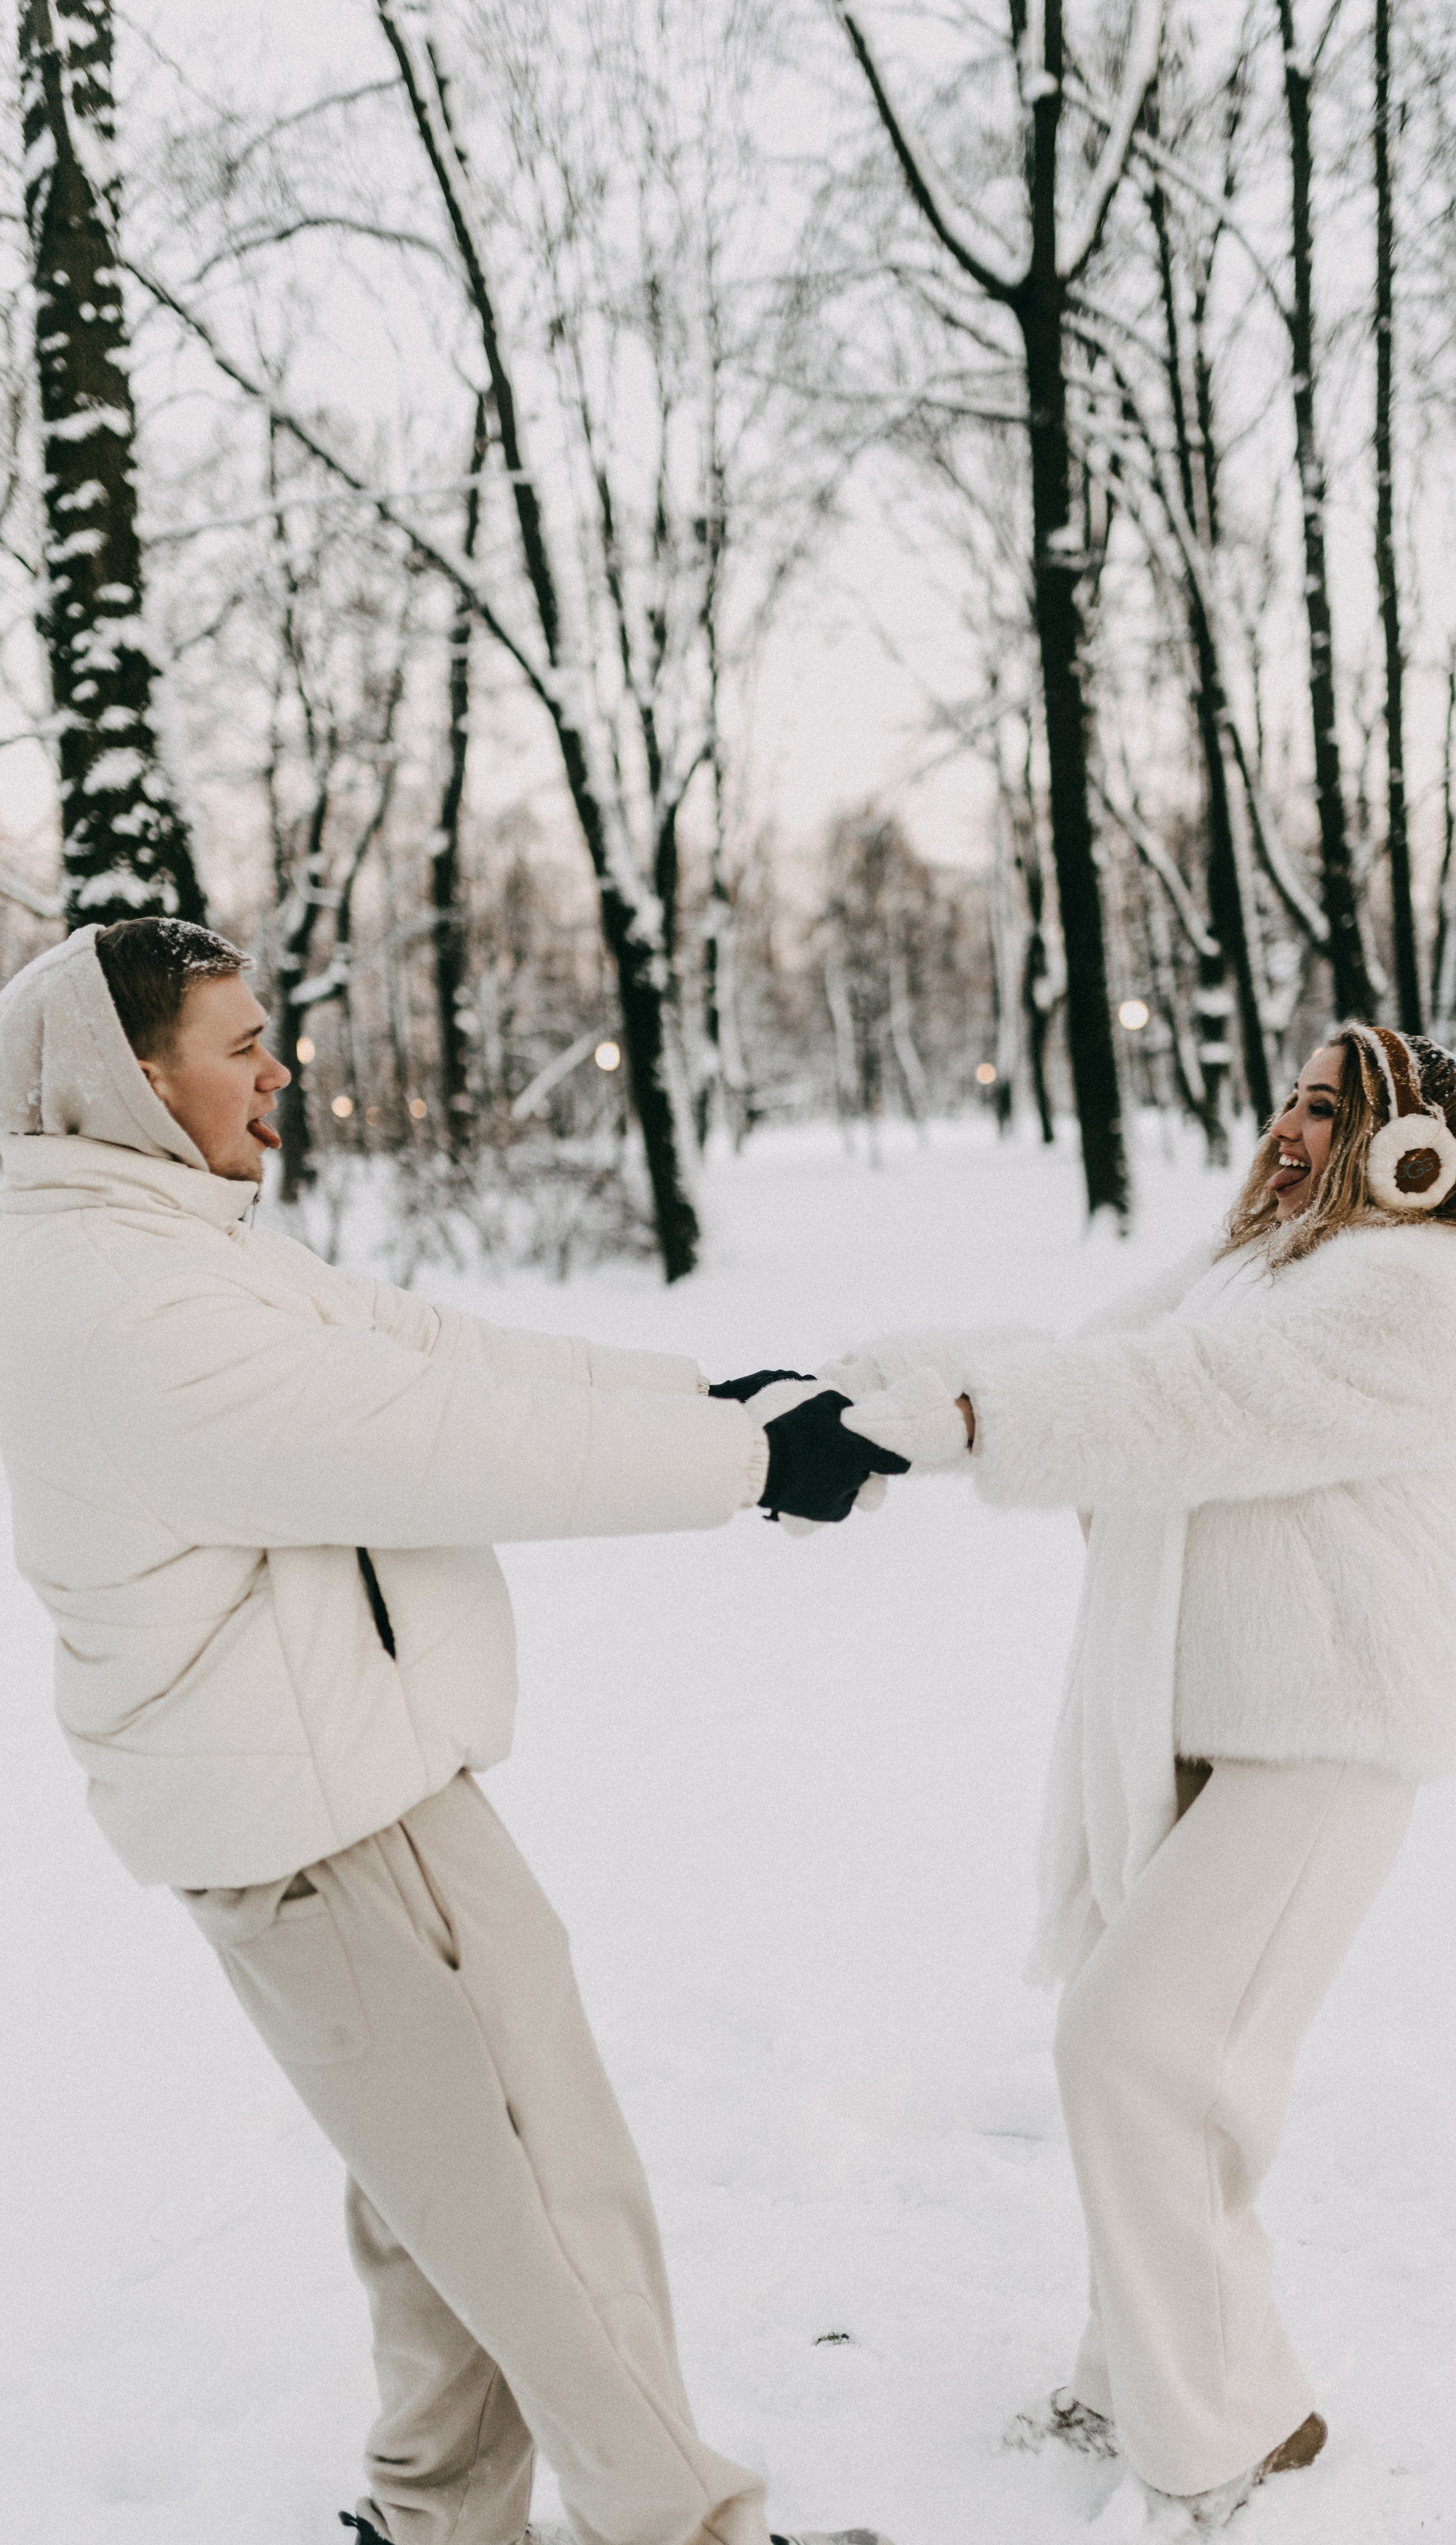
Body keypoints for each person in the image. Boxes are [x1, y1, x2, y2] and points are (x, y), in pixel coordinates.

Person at [0, 917, 902, 2545]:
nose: (281, 1070)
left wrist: (701, 1401)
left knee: (444, 2198)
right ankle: (678, 2527)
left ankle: (435, 2518)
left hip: (341, 1770)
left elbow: (430, 1351)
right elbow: (435, 1438)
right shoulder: (120, 1310)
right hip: (314, 1815)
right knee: (538, 2192)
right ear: (135, 1082)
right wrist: (748, 1472)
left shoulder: (159, 1237)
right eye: (241, 1045)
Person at [836, 1025, 1456, 2532]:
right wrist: (895, 1384)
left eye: (1332, 1111)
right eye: (1286, 1100)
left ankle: (1234, 2425)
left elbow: (1191, 1410)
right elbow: (1105, 1369)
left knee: (1139, 2052)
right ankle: (1134, 2369)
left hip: (1324, 1741)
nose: (1288, 1131)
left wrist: (968, 1430)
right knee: (1147, 2062)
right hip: (1201, 1730)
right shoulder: (1266, 1267)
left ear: (1418, 1154)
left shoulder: (1415, 1289)